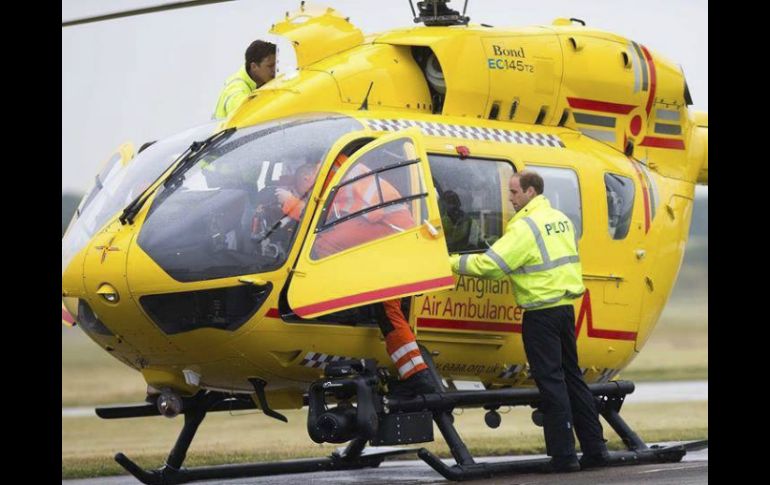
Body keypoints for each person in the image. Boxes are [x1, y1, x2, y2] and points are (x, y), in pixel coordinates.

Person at [449, 171, 609, 473]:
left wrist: (449, 261)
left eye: (514, 192)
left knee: (551, 382)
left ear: (531, 192)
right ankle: (596, 449)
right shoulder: (559, 219)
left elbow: (491, 266)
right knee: (573, 378)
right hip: (563, 309)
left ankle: (563, 456)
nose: (509, 198)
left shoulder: (525, 226)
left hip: (540, 314)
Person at [295, 152, 438, 395]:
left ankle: (418, 375)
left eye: (300, 186)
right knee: (386, 313)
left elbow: (321, 217)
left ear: (310, 175)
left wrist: (291, 204)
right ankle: (416, 374)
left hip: (393, 240)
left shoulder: (334, 177)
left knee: (324, 244)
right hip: (391, 239)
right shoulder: (346, 169)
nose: (303, 191)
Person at [213, 40, 276, 119]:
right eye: (270, 66)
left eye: (277, 64)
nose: (275, 70)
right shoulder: (236, 89)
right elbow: (246, 115)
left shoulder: (263, 80)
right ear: (254, 67)